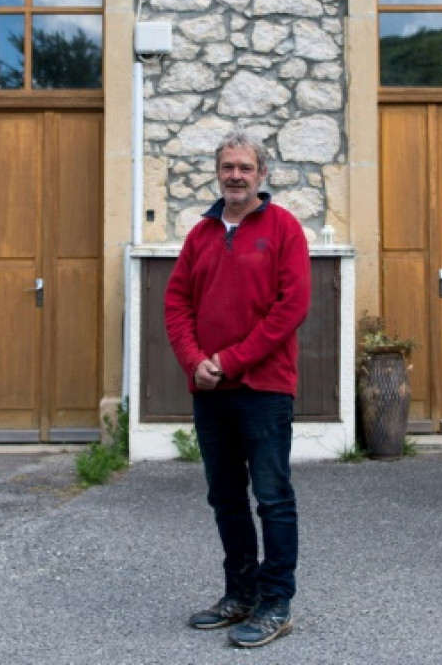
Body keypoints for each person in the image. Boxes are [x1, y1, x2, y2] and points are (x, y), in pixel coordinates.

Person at [163, 128, 312, 649]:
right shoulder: (200, 235)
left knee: (272, 498)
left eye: (245, 168)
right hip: (211, 391)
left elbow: (289, 310)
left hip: (264, 389)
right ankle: (240, 595)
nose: (236, 176)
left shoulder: (285, 229)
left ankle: (276, 603)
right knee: (225, 497)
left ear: (262, 174)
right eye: (228, 167)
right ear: (218, 172)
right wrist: (195, 362)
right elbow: (176, 303)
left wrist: (228, 361)